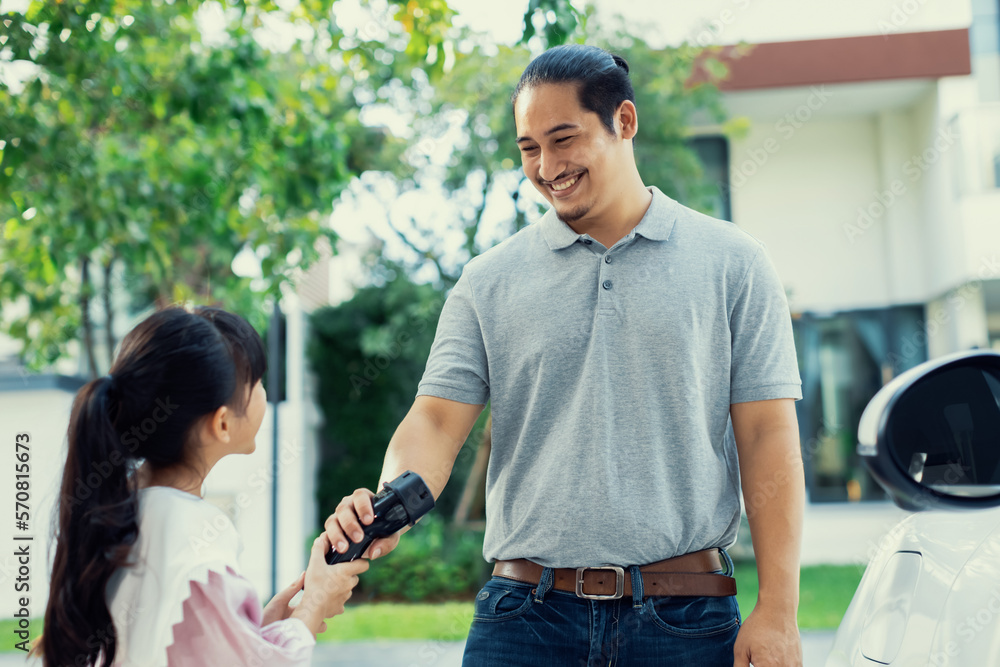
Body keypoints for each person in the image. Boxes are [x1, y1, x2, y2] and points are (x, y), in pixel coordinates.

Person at [325, 44, 804, 667]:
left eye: (563, 139)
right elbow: (436, 421)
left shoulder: (733, 264)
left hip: (686, 619)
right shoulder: (488, 280)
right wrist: (390, 503)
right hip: (524, 620)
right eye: (529, 149)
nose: (547, 166)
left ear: (624, 122)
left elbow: (768, 436)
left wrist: (780, 610)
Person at [35, 306, 368, 667]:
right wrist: (313, 607)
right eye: (256, 382)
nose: (263, 392)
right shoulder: (196, 546)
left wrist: (258, 628)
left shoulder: (117, 517)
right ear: (222, 423)